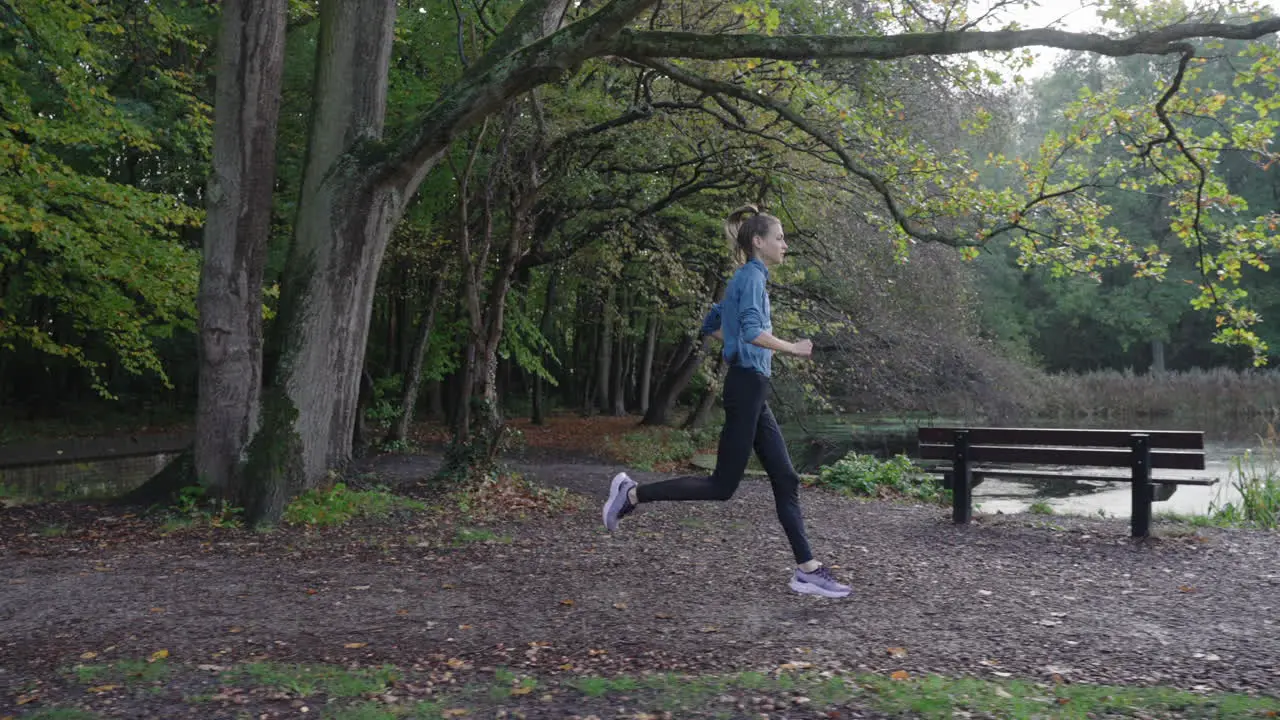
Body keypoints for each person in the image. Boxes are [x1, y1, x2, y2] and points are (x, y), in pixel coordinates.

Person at [601, 205, 851, 598]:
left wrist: (734, 344)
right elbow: (752, 331)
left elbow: (712, 326)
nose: (785, 244)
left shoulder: (746, 279)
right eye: (779, 237)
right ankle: (631, 494)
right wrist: (793, 348)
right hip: (747, 386)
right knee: (721, 486)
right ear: (758, 241)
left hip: (753, 386)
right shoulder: (751, 277)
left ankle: (807, 569)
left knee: (785, 478)